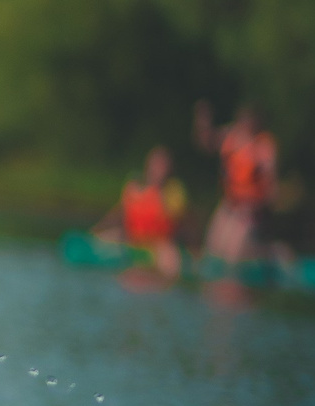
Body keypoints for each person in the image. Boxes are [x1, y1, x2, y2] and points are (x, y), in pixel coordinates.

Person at [193, 101, 279, 269]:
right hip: (230, 205)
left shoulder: (263, 146)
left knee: (232, 255)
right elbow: (207, 141)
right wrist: (202, 121)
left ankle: (269, 253)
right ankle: (259, 251)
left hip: (250, 209)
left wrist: (263, 209)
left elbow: (271, 183)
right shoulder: (231, 136)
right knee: (213, 250)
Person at [94, 145, 186, 280]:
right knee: (101, 239)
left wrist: (158, 192)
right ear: (148, 165)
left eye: (162, 165)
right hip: (132, 239)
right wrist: (97, 229)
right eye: (156, 164)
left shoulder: (173, 191)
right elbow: (118, 214)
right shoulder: (134, 188)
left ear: (169, 169)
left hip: (158, 244)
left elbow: (179, 221)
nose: (158, 169)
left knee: (169, 262)